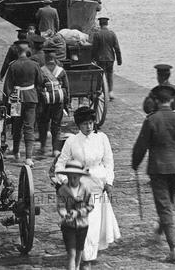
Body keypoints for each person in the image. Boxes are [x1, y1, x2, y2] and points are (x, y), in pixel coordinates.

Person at [131, 84, 175, 263]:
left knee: (164, 207)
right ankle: (158, 230)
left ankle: (174, 250)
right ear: (171, 101)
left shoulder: (151, 120)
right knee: (168, 203)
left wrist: (135, 164)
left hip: (158, 169)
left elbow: (141, 146)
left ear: (156, 101)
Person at [56, 106, 120, 265]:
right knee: (85, 223)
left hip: (98, 185)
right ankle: (86, 258)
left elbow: (109, 162)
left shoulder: (102, 138)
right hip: (79, 187)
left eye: (91, 123)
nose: (89, 127)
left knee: (95, 223)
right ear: (78, 125)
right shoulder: (72, 141)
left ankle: (87, 254)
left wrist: (109, 181)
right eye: (85, 124)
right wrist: (65, 182)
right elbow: (60, 164)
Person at [2, 39, 43, 165]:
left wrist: (9, 100)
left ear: (17, 51)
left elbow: (7, 86)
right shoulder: (34, 65)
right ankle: (29, 157)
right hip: (31, 98)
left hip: (16, 99)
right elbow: (40, 82)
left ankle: (16, 152)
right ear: (28, 50)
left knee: (16, 126)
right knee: (29, 127)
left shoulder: (13, 65)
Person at [57, 161, 95, 270]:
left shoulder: (85, 189)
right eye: (70, 177)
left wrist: (78, 213)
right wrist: (65, 214)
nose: (72, 180)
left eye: (75, 177)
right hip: (68, 226)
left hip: (82, 225)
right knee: (71, 253)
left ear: (80, 176)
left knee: (79, 251)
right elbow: (60, 206)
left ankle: (77, 266)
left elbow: (90, 206)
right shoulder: (63, 190)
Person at [38, 50, 70, 156]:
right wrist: (67, 102)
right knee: (56, 125)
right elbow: (66, 87)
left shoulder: (41, 70)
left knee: (43, 124)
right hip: (58, 102)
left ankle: (43, 146)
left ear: (46, 59)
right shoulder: (61, 71)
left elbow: (38, 87)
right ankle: (55, 149)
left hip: (45, 102)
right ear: (55, 59)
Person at [90, 17, 122, 101]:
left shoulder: (97, 34)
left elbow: (95, 48)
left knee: (100, 76)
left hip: (100, 58)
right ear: (107, 24)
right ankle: (110, 92)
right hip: (110, 58)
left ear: (100, 24)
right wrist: (119, 60)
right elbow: (117, 48)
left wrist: (92, 58)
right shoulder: (112, 34)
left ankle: (101, 92)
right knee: (110, 74)